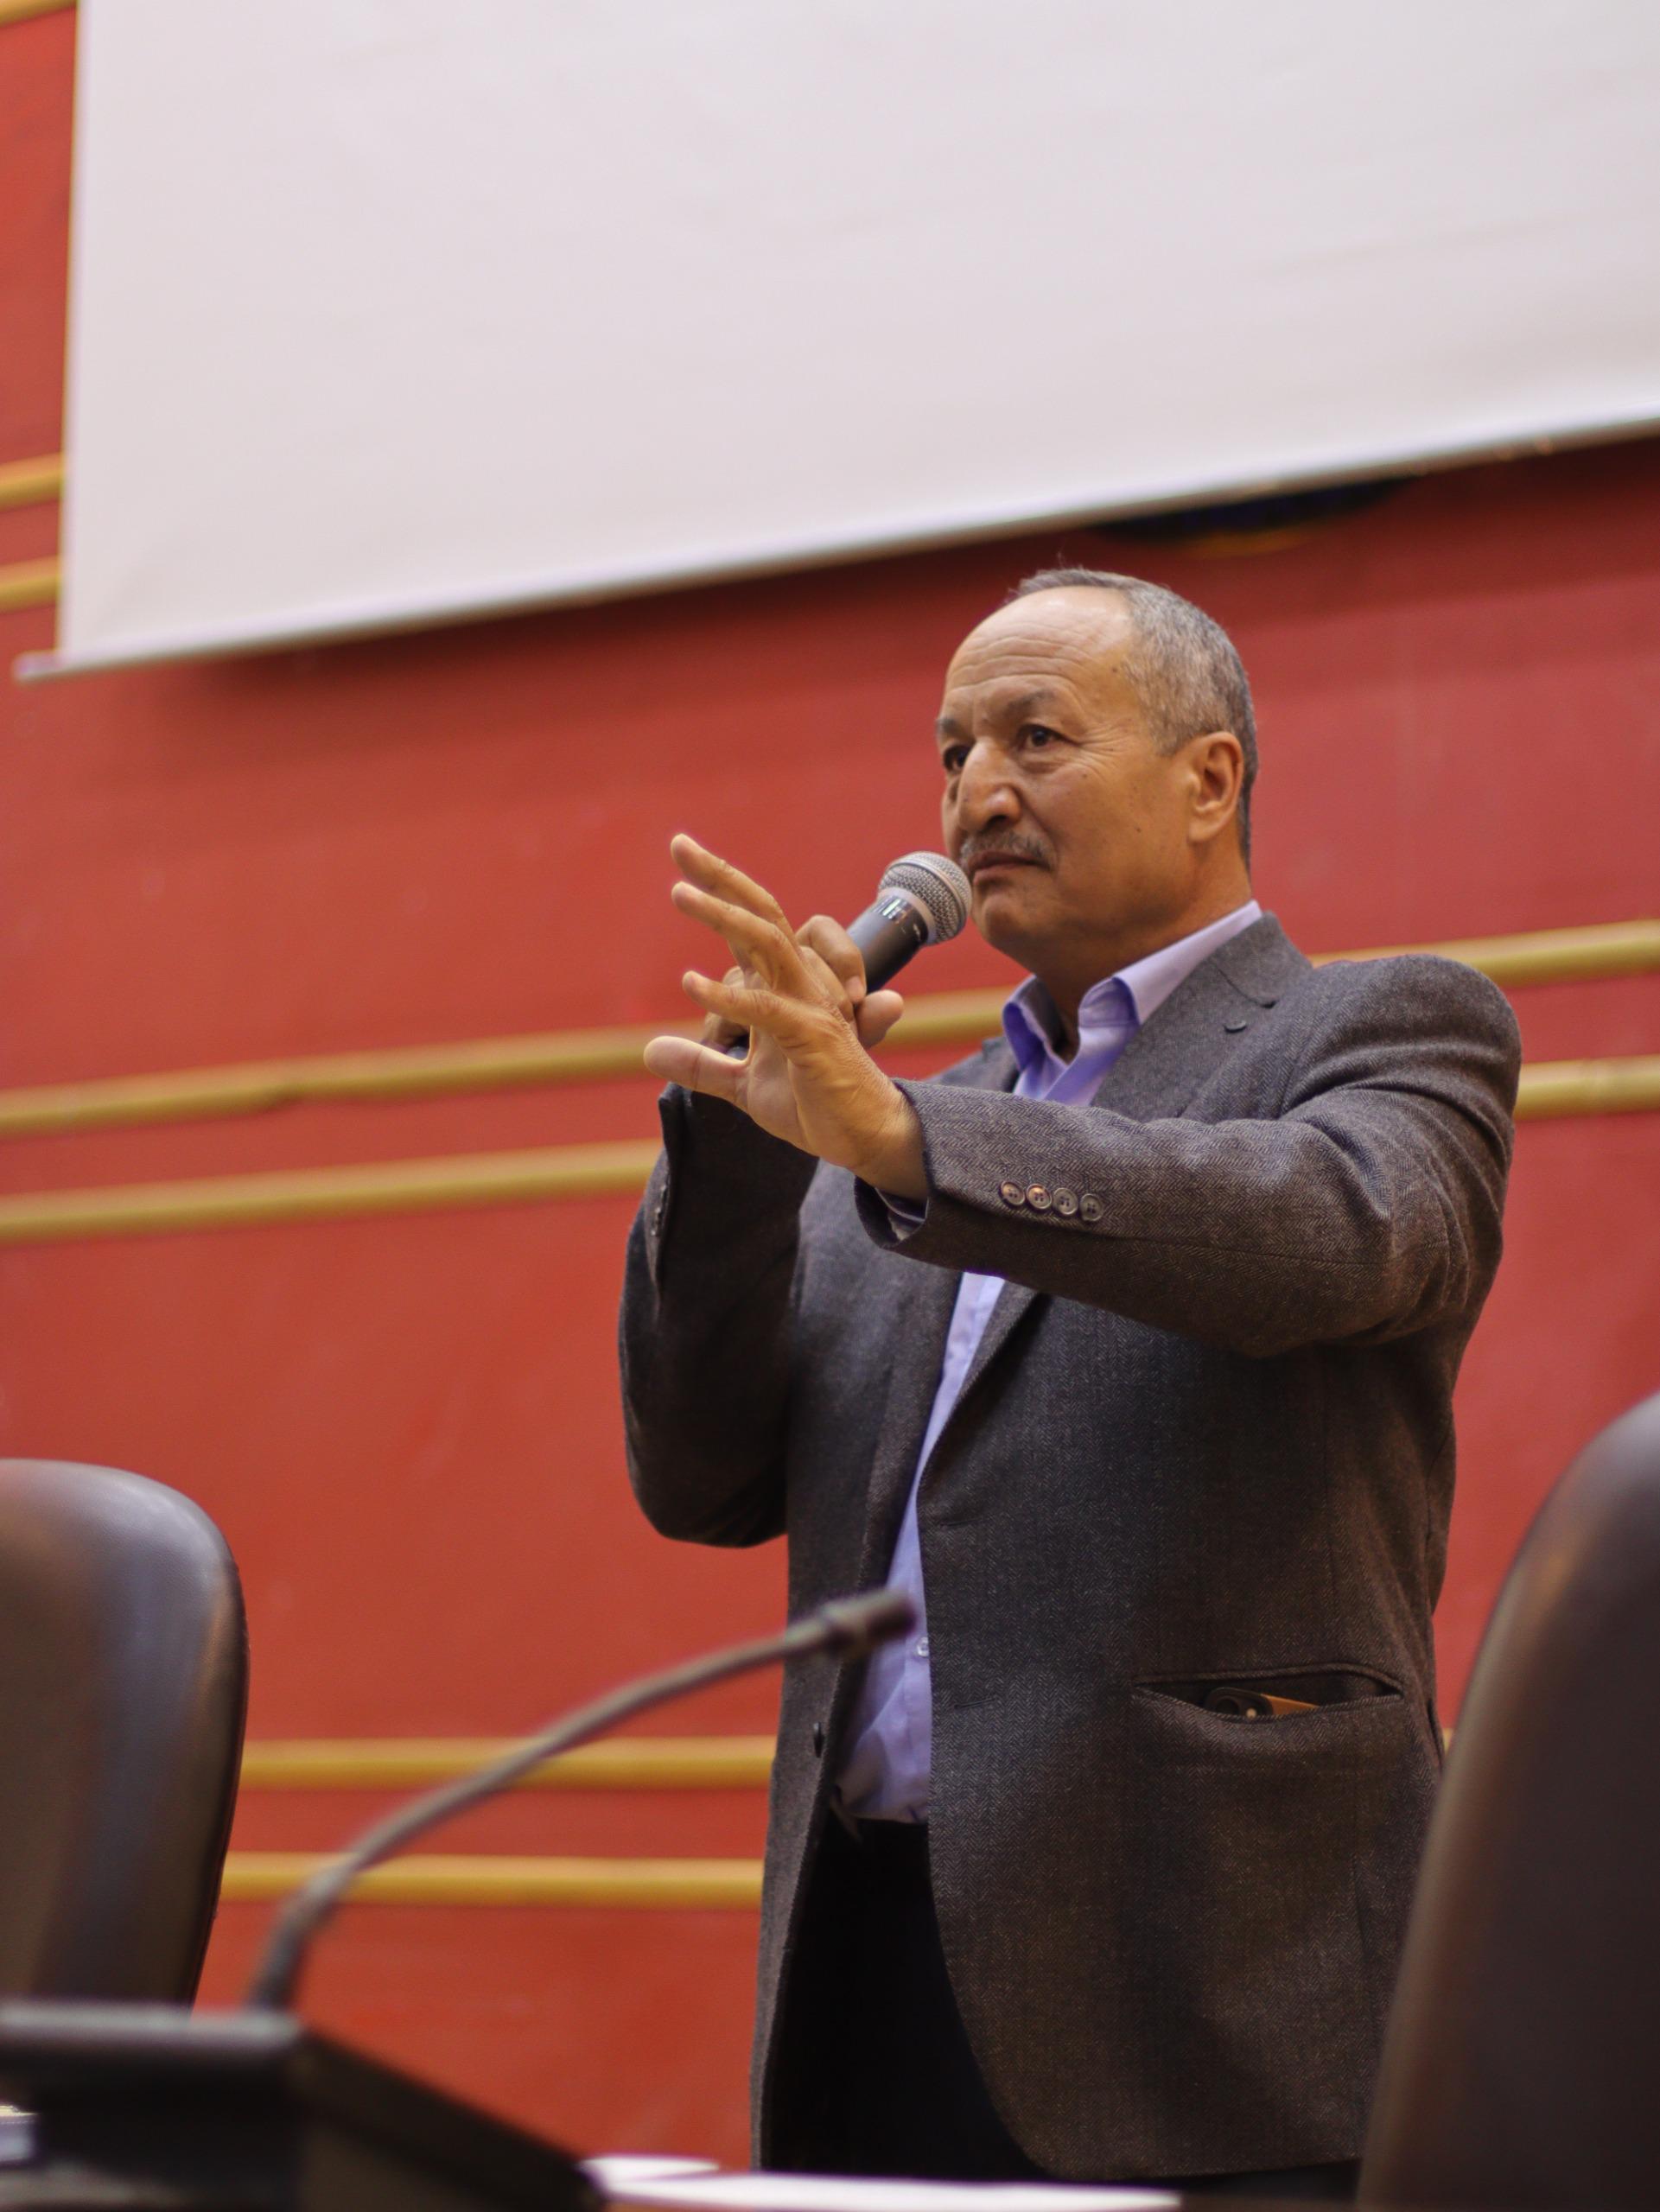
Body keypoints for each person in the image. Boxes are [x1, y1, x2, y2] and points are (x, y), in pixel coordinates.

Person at [619, 570, 1519, 2193]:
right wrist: (744, 1158)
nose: (977, 793)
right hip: (870, 1966)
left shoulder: (1378, 1028)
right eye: (952, 752)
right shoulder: (907, 1122)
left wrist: (903, 1136)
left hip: (1214, 1986)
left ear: (1208, 779)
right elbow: (704, 1481)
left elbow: (1334, 1235)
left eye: (1035, 738)